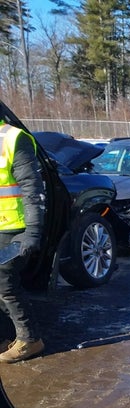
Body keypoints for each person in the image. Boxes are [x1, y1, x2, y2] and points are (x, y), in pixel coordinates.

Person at [0, 118, 45, 363]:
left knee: (5, 284)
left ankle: (30, 340)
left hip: (12, 228)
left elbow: (32, 188)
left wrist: (33, 230)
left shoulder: (12, 138)